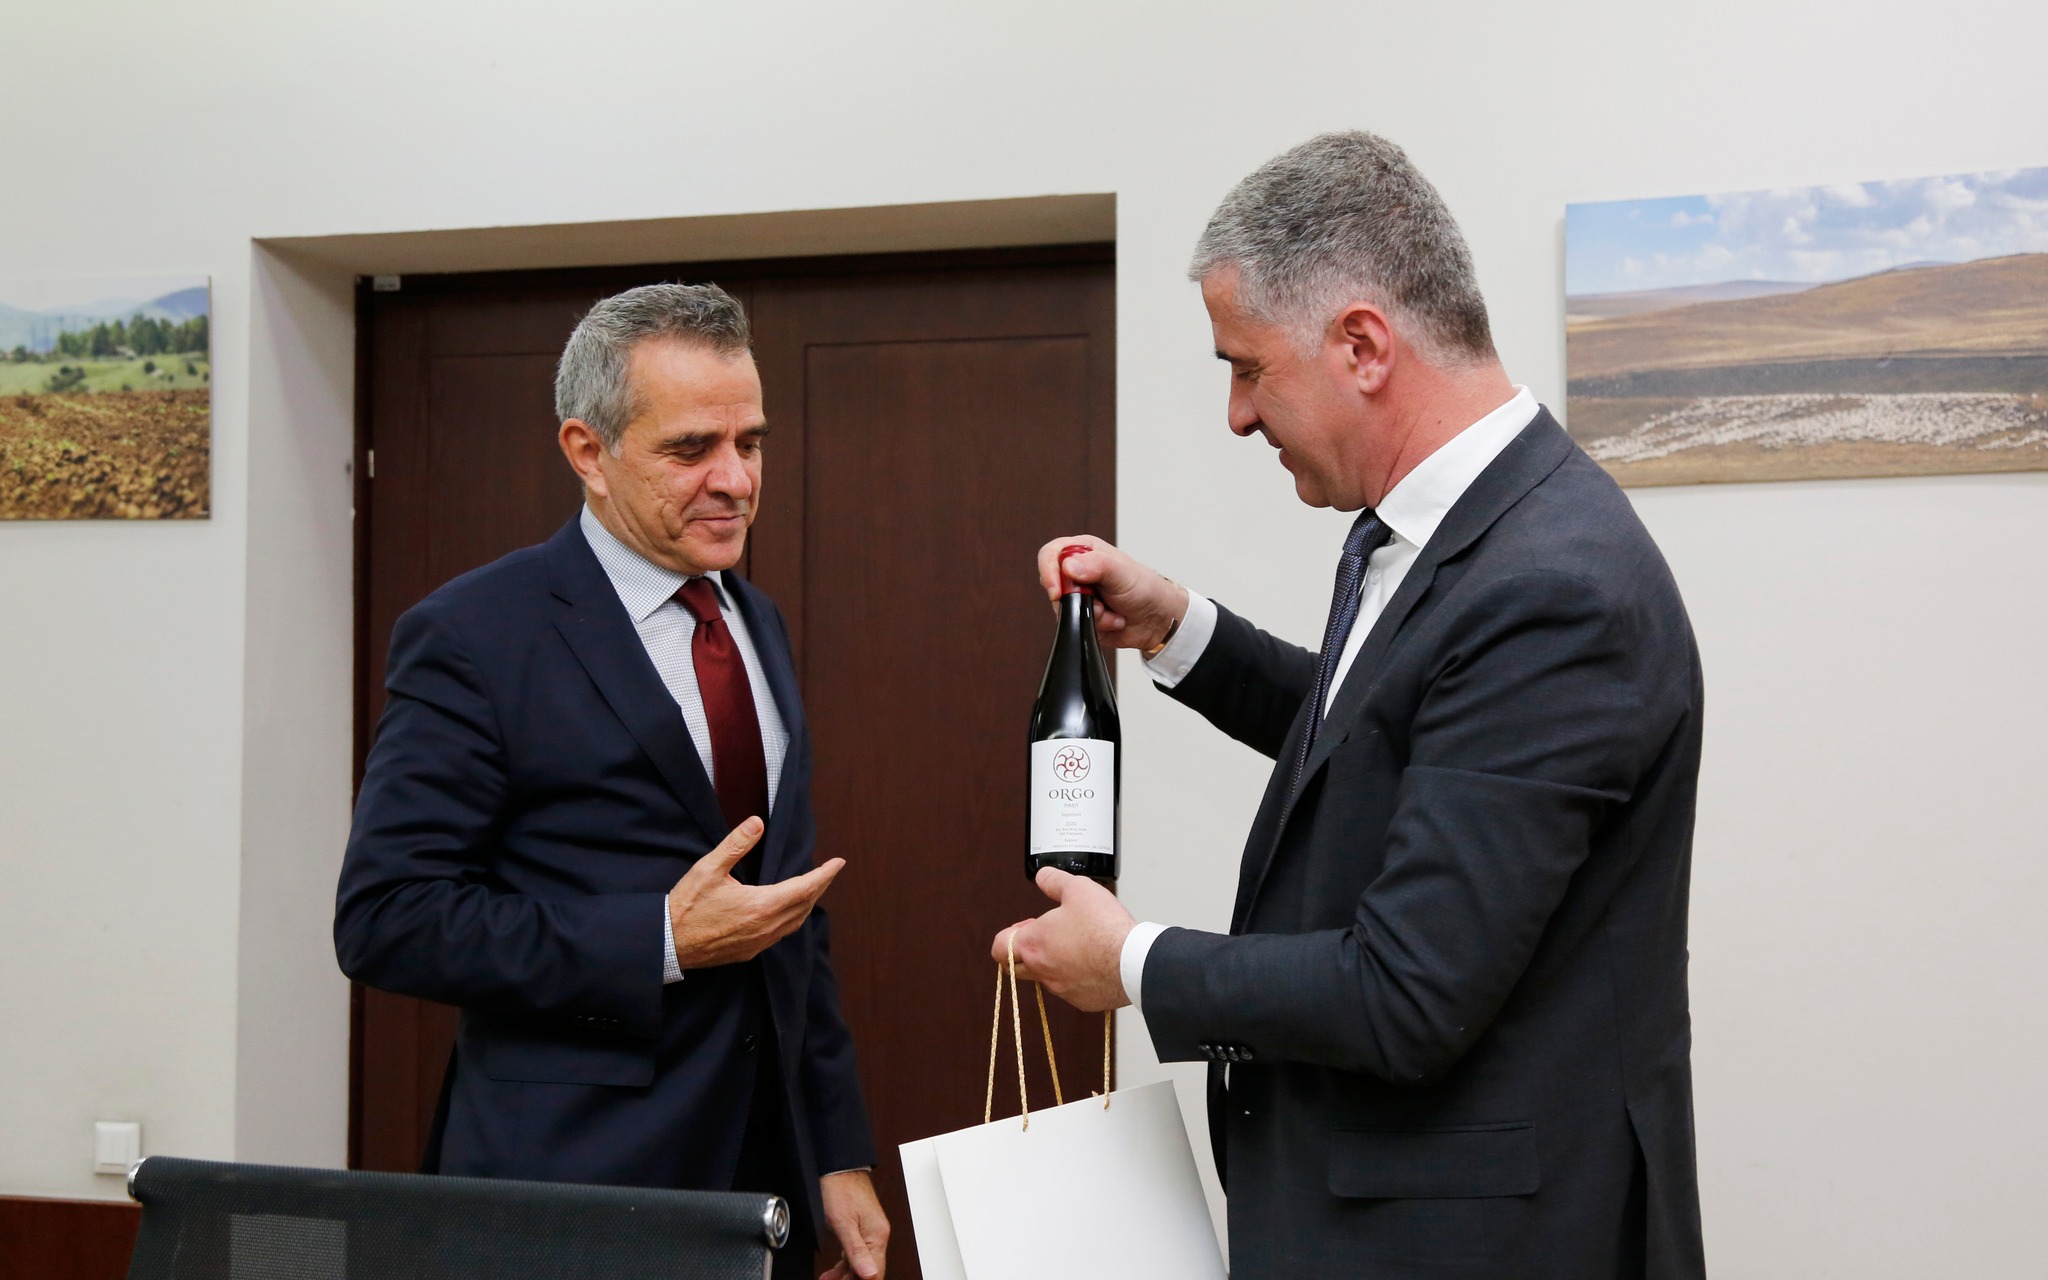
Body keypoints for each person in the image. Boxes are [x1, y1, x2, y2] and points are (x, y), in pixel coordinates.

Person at [995, 133, 1707, 1279]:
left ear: (1361, 345)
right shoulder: (1427, 530)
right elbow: (1384, 738)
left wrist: (1131, 961)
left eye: (1247, 368)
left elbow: (1405, 989)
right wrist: (1178, 626)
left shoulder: (1551, 586)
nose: (1235, 414)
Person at [336, 283, 888, 1280]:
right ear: (588, 452)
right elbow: (387, 917)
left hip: (760, 1188)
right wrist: (657, 940)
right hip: (566, 1196)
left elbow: (789, 918)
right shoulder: (473, 635)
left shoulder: (753, 620)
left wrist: (835, 1148)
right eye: (691, 448)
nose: (734, 480)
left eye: (750, 443)